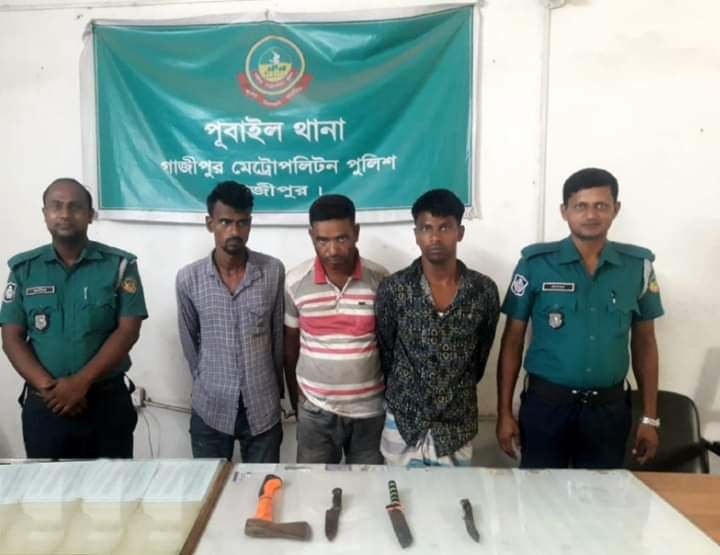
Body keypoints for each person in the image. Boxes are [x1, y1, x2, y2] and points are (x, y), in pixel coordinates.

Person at [496, 168, 663, 469]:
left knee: (602, 496)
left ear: (616, 209)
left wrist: (650, 417)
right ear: (564, 211)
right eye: (581, 206)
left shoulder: (638, 267)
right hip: (546, 409)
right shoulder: (535, 264)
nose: (591, 215)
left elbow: (646, 343)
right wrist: (505, 412)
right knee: (540, 494)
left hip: (608, 412)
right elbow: (512, 341)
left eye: (601, 205)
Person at [0, 178, 147, 459]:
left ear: (90, 215)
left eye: (75, 207)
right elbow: (11, 338)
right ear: (45, 214)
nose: (65, 214)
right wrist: (51, 389)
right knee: (47, 485)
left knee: (112, 486)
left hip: (105, 404)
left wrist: (81, 383)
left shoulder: (119, 266)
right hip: (46, 406)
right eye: (56, 206)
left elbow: (128, 331)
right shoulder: (24, 269)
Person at [376, 189, 500, 466]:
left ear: (460, 232)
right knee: (397, 491)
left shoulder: (483, 290)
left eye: (444, 227)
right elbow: (386, 350)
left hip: (456, 425)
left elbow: (481, 355)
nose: (434, 237)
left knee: (452, 494)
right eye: (426, 228)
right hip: (403, 420)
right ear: (416, 234)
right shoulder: (394, 288)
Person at [176, 181, 285, 462]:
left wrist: (276, 390)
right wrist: (208, 380)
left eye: (242, 222)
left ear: (250, 223)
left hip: (262, 406)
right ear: (210, 223)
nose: (234, 232)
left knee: (263, 485)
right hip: (211, 407)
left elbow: (277, 338)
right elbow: (190, 343)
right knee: (210, 483)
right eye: (225, 222)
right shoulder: (189, 279)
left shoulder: (272, 271)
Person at [284, 195, 388, 464]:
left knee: (369, 485)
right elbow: (290, 347)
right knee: (313, 486)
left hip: (369, 413)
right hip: (315, 411)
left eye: (341, 238)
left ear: (356, 232)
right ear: (311, 236)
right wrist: (299, 401)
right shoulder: (295, 282)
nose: (332, 250)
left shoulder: (381, 280)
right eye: (322, 240)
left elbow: (391, 345)